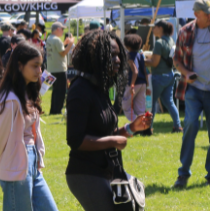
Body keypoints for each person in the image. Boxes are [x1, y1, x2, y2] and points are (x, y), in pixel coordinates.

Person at [65, 30, 152, 211]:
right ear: (95, 57)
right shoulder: (79, 90)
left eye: (119, 55)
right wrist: (113, 141)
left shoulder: (100, 87)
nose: (118, 60)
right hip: (85, 173)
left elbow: (103, 133)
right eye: (111, 55)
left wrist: (130, 128)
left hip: (107, 170)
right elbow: (76, 140)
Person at [0, 42, 58, 211]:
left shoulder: (28, 91)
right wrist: (13, 157)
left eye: (40, 66)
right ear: (19, 66)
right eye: (34, 66)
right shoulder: (10, 100)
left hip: (32, 163)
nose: (39, 71)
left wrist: (36, 156)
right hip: (16, 164)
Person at [173, 0, 210, 188]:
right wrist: (186, 72)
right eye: (207, 13)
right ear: (196, 14)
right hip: (194, 89)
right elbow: (176, 61)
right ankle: (183, 174)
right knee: (190, 126)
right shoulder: (184, 32)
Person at [145, 20, 181, 133]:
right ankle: (177, 126)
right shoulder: (171, 40)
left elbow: (154, 62)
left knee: (151, 103)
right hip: (170, 75)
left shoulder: (159, 42)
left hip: (158, 77)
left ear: (160, 28)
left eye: (154, 27)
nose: (152, 29)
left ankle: (148, 128)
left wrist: (141, 59)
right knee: (170, 102)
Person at [46, 22, 74, 115]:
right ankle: (57, 110)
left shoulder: (49, 38)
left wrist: (64, 43)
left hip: (51, 68)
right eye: (62, 29)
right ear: (57, 29)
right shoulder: (57, 40)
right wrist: (70, 44)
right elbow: (63, 52)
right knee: (61, 91)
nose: (63, 31)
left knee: (55, 91)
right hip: (60, 69)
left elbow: (56, 49)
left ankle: (53, 109)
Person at [121, 34, 147, 122]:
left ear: (127, 45)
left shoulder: (128, 56)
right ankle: (144, 127)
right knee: (140, 107)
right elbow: (144, 70)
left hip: (134, 82)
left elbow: (135, 71)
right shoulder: (140, 55)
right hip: (143, 83)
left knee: (125, 104)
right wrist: (147, 85)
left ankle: (136, 124)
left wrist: (132, 85)